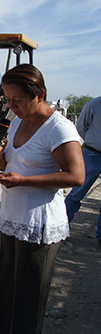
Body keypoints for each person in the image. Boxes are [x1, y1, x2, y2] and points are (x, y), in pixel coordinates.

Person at [0, 64, 84, 334]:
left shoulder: (59, 128)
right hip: (12, 218)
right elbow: (14, 162)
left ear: (39, 95)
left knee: (28, 302)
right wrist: (0, 159)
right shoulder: (17, 121)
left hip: (38, 226)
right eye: (8, 100)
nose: (12, 107)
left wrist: (24, 180)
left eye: (18, 101)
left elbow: (76, 176)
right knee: (8, 294)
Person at [65, 96, 101, 247]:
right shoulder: (94, 105)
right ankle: (62, 227)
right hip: (92, 155)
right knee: (77, 193)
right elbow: (81, 127)